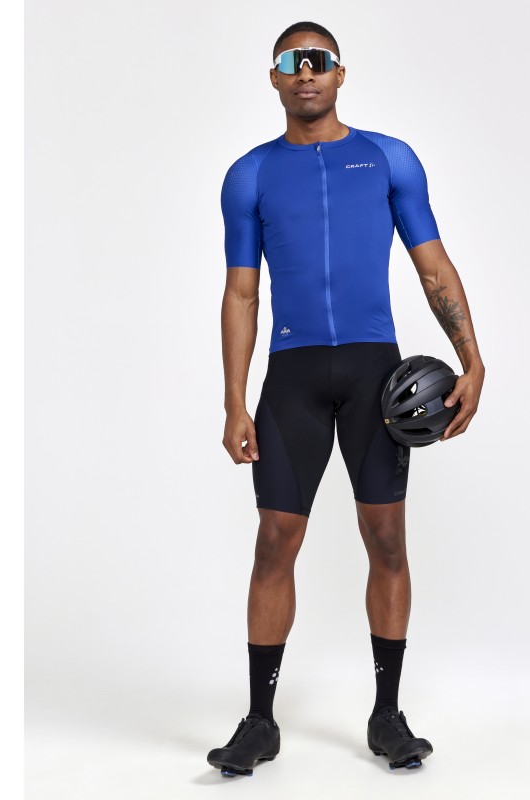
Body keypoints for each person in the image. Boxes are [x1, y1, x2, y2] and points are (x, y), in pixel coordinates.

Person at [207, 21, 485, 776]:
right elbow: (241, 292)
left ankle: (387, 715)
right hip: (292, 379)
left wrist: (472, 360)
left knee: (387, 539)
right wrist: (234, 401)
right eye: (291, 62)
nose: (306, 73)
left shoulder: (389, 158)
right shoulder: (250, 175)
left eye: (319, 61)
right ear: (274, 78)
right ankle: (259, 722)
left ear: (339, 73)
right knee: (274, 541)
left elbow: (433, 267)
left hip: (374, 378)